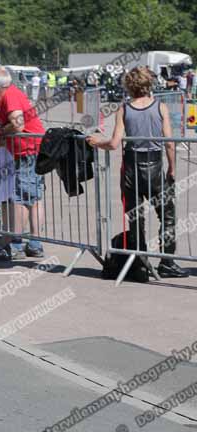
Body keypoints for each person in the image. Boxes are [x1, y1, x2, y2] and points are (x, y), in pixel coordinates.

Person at [87, 67, 188, 278]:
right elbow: (169, 143)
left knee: (135, 218)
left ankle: (140, 264)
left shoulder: (124, 109)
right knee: (167, 216)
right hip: (154, 167)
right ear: (149, 84)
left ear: (129, 86)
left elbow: (114, 143)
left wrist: (98, 142)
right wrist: (172, 167)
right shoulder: (160, 108)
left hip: (131, 168)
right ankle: (167, 262)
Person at [0, 64, 47, 260]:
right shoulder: (2, 98)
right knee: (32, 198)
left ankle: (17, 244)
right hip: (28, 150)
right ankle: (34, 244)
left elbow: (18, 124)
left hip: (28, 151)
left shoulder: (10, 96)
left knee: (20, 198)